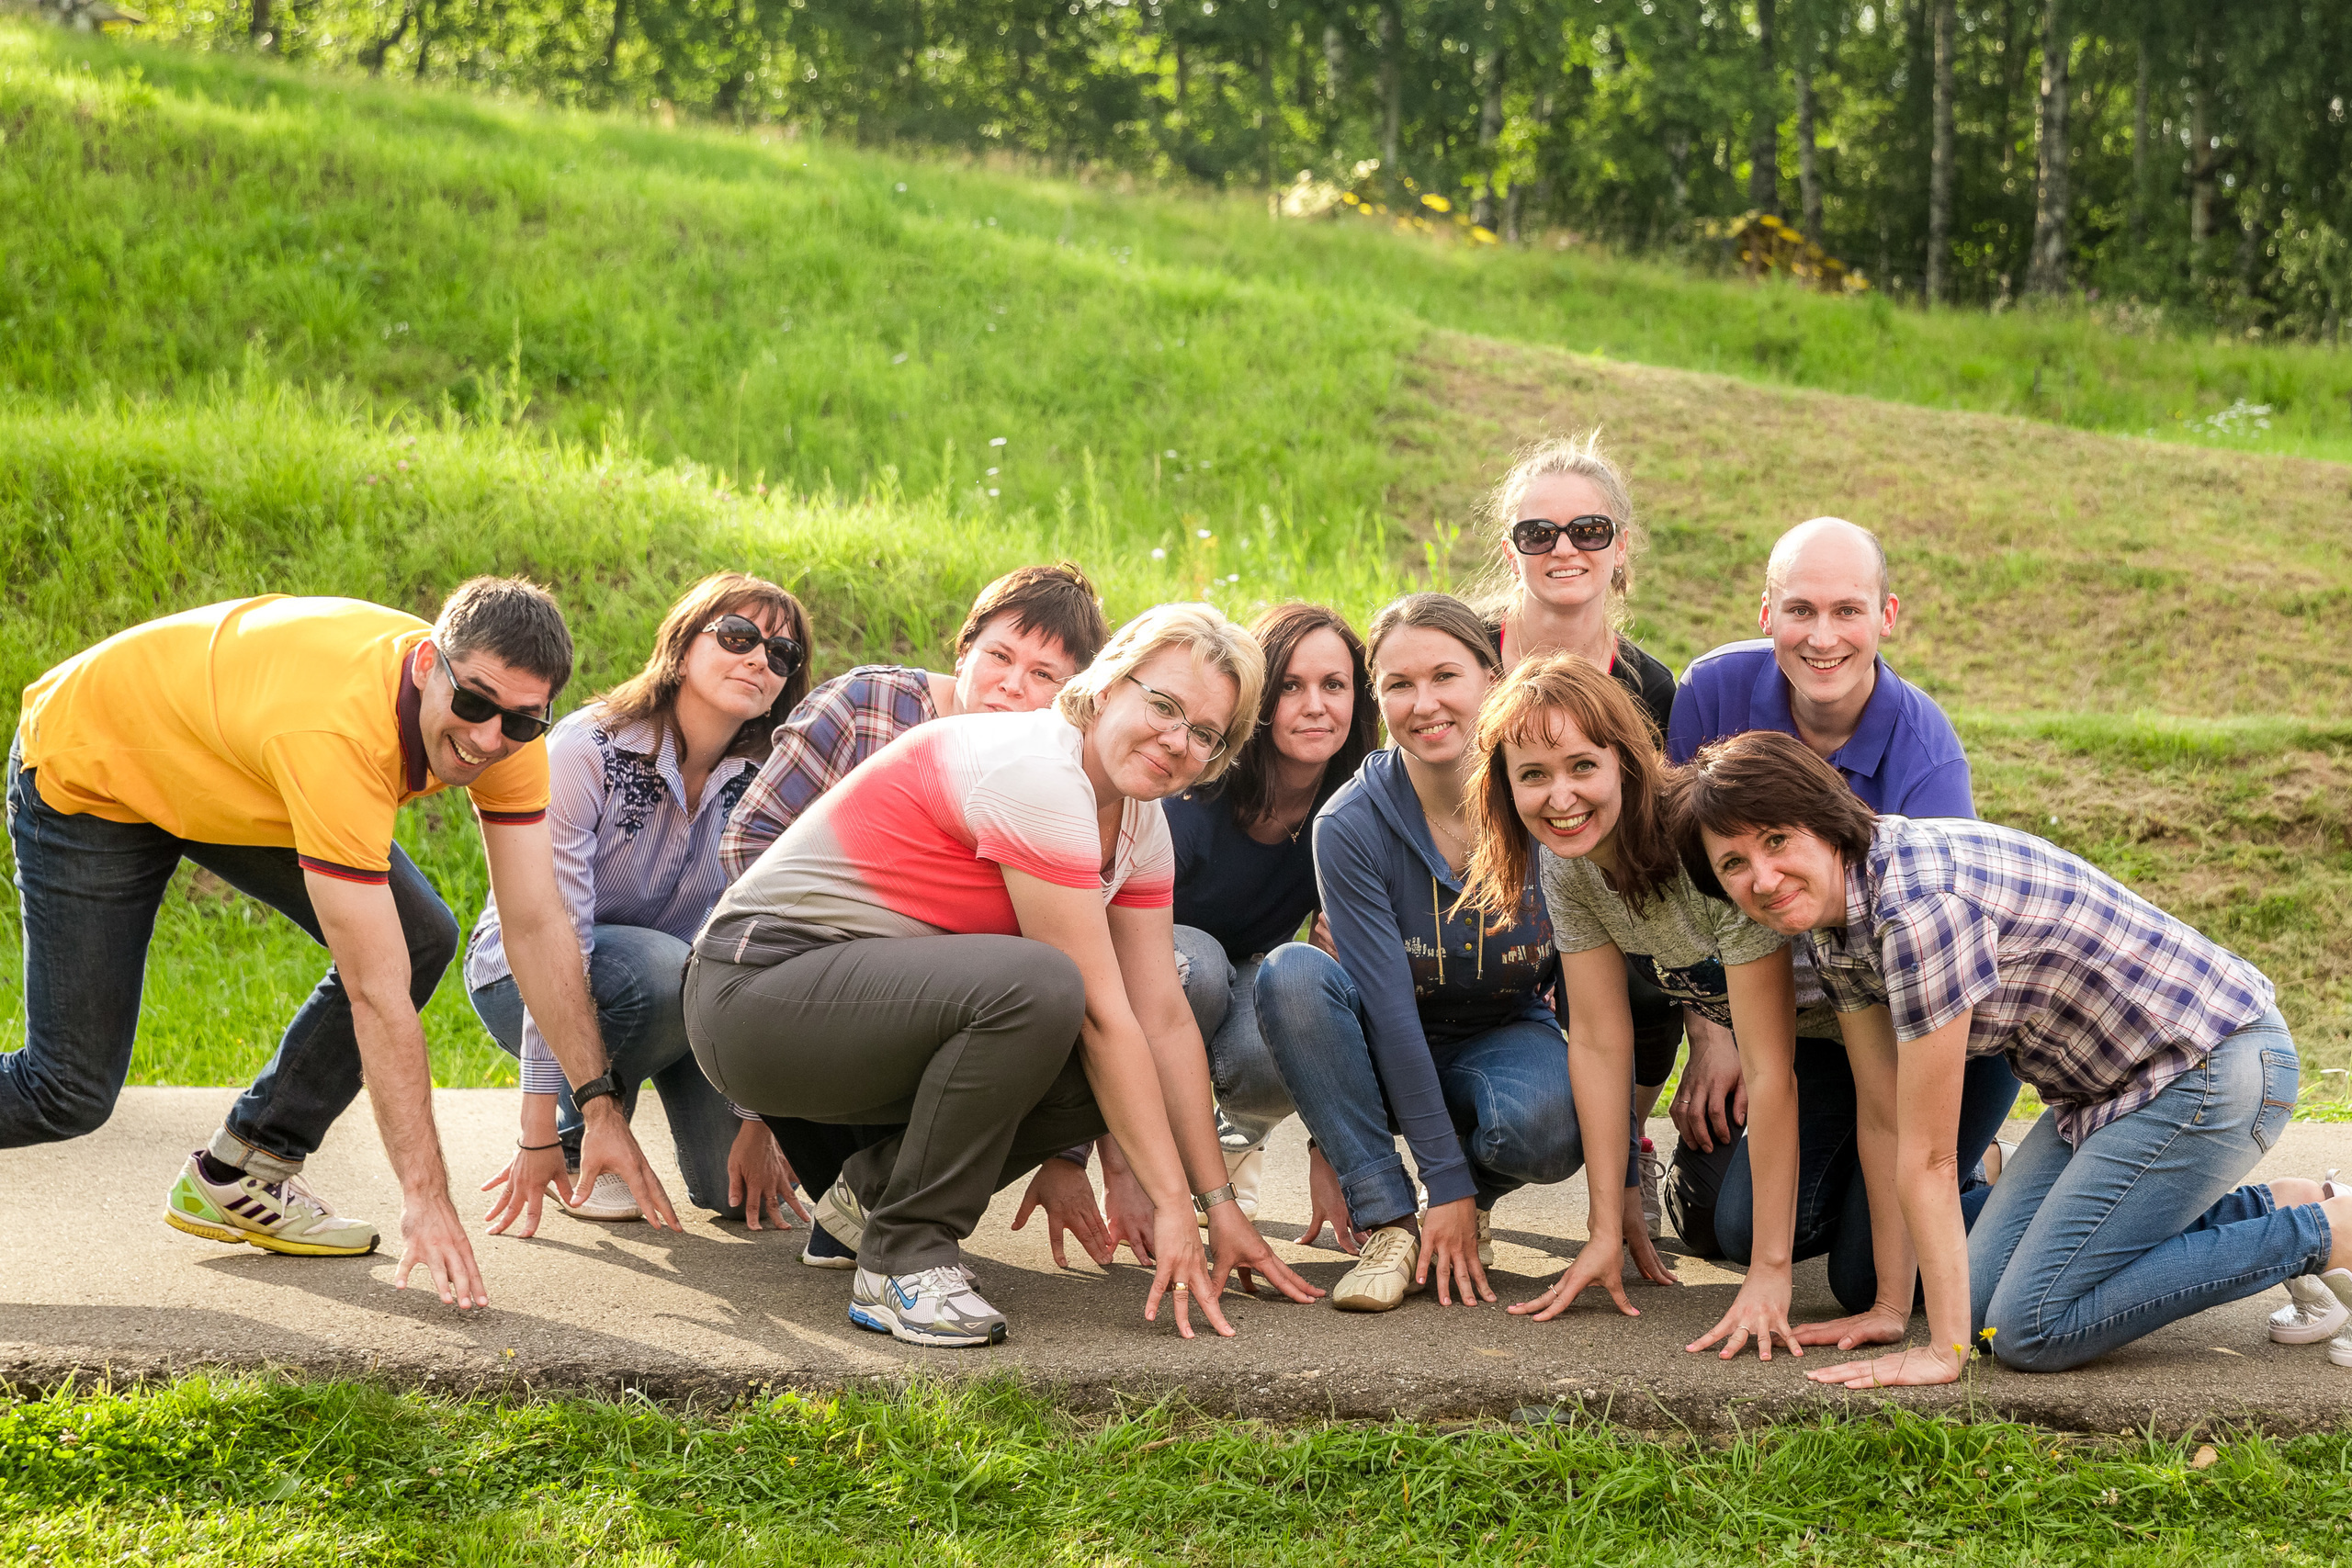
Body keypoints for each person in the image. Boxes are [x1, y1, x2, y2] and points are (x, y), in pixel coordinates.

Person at [5, 581, 676, 1311]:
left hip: (227, 759)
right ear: (427, 664)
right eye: (475, 704)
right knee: (65, 1089)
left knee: (422, 936)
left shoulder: (510, 730)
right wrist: (426, 1198)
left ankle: (244, 1169)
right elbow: (375, 994)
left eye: (520, 720)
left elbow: (538, 924)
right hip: (95, 764)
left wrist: (599, 1105)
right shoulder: (338, 733)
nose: (490, 737)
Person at [684, 604, 1320, 1347]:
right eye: (1164, 704)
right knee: (1047, 986)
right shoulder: (1038, 773)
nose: (1177, 740)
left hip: (864, 1020)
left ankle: (874, 1199)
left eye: (1206, 733)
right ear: (1110, 682)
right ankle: (902, 1259)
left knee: (1122, 1020)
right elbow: (1096, 1013)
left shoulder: (1139, 826)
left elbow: (1163, 1019)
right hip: (752, 996)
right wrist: (1170, 1201)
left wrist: (1220, 1205)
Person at [1677, 730, 2352, 1381]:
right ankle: (2279, 1207)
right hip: (2104, 1096)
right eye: (1733, 863)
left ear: (1824, 821)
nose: (1762, 877)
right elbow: (1884, 1117)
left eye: (1776, 840)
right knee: (1976, 1307)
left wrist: (1942, 1354)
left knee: (2031, 1327)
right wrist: (1888, 1307)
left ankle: (2328, 1231)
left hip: (2214, 1066)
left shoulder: (1916, 909)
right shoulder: (1836, 919)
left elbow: (1932, 1157)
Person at [1665, 515, 2017, 1319]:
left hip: (1924, 1027)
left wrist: (1909, 1148)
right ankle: (1894, 1179)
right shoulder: (1710, 695)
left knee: (1870, 1274)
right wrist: (1712, 1030)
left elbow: (1933, 963)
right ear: (1766, 615)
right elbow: (1699, 886)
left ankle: (2021, 1190)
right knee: (1731, 1223)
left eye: (1848, 611)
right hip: (1803, 1019)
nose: (1822, 637)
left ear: (1886, 617)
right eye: (1800, 610)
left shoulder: (1927, 758)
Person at [712, 562, 1109, 1268]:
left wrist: (1068, 1151)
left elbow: (1078, 967)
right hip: (813, 999)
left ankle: (874, 1202)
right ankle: (885, 1220)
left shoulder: (1058, 778)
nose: (1014, 685)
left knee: (1108, 985)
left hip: (964, 1024)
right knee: (709, 1176)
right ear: (963, 650)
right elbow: (748, 849)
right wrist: (753, 1112)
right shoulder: (869, 706)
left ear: (1073, 696)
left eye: (1045, 675)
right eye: (1000, 656)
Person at [1255, 593, 1633, 1314]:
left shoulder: (1544, 795)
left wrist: (1623, 1199)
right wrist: (1434, 1182)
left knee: (1553, 1120)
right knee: (1292, 974)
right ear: (1379, 698)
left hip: (1499, 1034)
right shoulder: (1350, 823)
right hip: (1380, 1043)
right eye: (1398, 684)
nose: (1423, 703)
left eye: (1445, 676)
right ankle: (1392, 1222)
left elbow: (1606, 1005)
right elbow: (1391, 1014)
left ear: (1493, 678)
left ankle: (1466, 1205)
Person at [1456, 651, 1819, 1353]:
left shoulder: (1705, 844)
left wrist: (1772, 1275)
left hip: (1871, 1040)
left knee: (1844, 1258)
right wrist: (1605, 1223)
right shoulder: (1568, 864)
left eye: (1581, 766)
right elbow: (1596, 1040)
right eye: (1533, 775)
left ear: (1625, 760)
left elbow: (1772, 1071)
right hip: (1800, 1054)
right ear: (1505, 787)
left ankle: (1961, 1162)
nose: (1560, 797)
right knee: (1721, 1220)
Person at [468, 572, 811, 1235]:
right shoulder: (584, 749)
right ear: (682, 648)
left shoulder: (775, 782)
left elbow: (769, 942)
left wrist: (757, 1118)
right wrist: (539, 1131)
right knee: (659, 966)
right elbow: (551, 935)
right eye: (737, 635)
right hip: (527, 977)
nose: (758, 659)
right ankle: (581, 1137)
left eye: (780, 654)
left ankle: (620, 1118)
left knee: (738, 1194)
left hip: (682, 993)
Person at [1473, 434, 1681, 1231]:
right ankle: (1461, 1177)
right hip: (1477, 898)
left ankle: (1628, 1144)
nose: (1564, 548)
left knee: (1645, 943)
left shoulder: (1650, 684)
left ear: (1621, 547)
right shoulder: (1461, 651)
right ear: (1511, 548)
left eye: (1589, 530)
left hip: (1599, 906)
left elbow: (1663, 859)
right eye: (1539, 533)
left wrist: (1716, 1031)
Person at [1154, 603, 1378, 1222]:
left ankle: (1234, 1142)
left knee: (1290, 998)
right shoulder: (1196, 788)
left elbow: (1339, 975)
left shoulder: (1357, 804)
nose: (1315, 704)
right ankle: (1155, 1156)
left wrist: (1328, 1146)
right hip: (1156, 960)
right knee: (1193, 965)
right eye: (1291, 685)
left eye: (1334, 685)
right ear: (1257, 697)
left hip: (1248, 969)